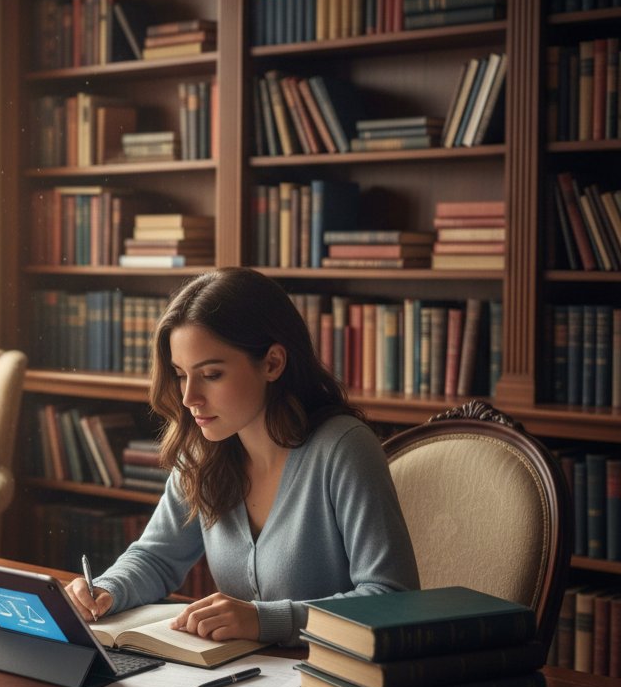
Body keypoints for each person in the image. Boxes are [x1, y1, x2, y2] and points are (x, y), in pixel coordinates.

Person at [65, 266, 419, 647]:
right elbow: (156, 558)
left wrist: (264, 620)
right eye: (181, 375)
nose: (189, 398)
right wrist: (106, 590)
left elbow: (391, 598)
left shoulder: (343, 449)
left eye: (212, 374)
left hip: (333, 685)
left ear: (272, 363)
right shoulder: (202, 451)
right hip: (242, 679)